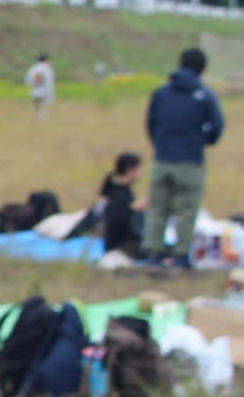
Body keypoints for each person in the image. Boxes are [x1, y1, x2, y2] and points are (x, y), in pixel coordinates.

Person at [141, 47, 224, 269]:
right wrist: (202, 141)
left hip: (162, 158)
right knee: (186, 211)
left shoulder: (161, 93)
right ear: (202, 69)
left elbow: (151, 123)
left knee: (157, 209)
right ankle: (180, 255)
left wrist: (161, 143)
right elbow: (216, 127)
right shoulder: (205, 95)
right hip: (190, 160)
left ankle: (153, 252)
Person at [95, 152, 147, 258]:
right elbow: (118, 223)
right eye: (138, 169)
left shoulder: (117, 189)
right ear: (129, 169)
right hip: (120, 247)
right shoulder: (119, 196)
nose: (141, 173)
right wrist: (133, 209)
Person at [24, 52, 54, 121]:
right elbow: (49, 82)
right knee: (43, 109)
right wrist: (51, 94)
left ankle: (37, 120)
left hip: (34, 91)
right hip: (45, 92)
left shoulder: (33, 68)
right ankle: (41, 122)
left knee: (37, 109)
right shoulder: (47, 69)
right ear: (46, 60)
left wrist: (35, 83)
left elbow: (28, 80)